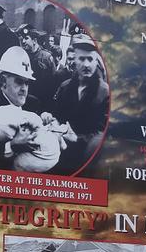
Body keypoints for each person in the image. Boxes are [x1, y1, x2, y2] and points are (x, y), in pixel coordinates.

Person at [47, 32, 110, 172]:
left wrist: (77, 138)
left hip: (87, 160)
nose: (86, 64)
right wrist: (53, 121)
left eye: (90, 59)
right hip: (61, 154)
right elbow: (58, 116)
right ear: (74, 60)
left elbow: (103, 133)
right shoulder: (65, 87)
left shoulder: (105, 93)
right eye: (82, 59)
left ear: (96, 61)